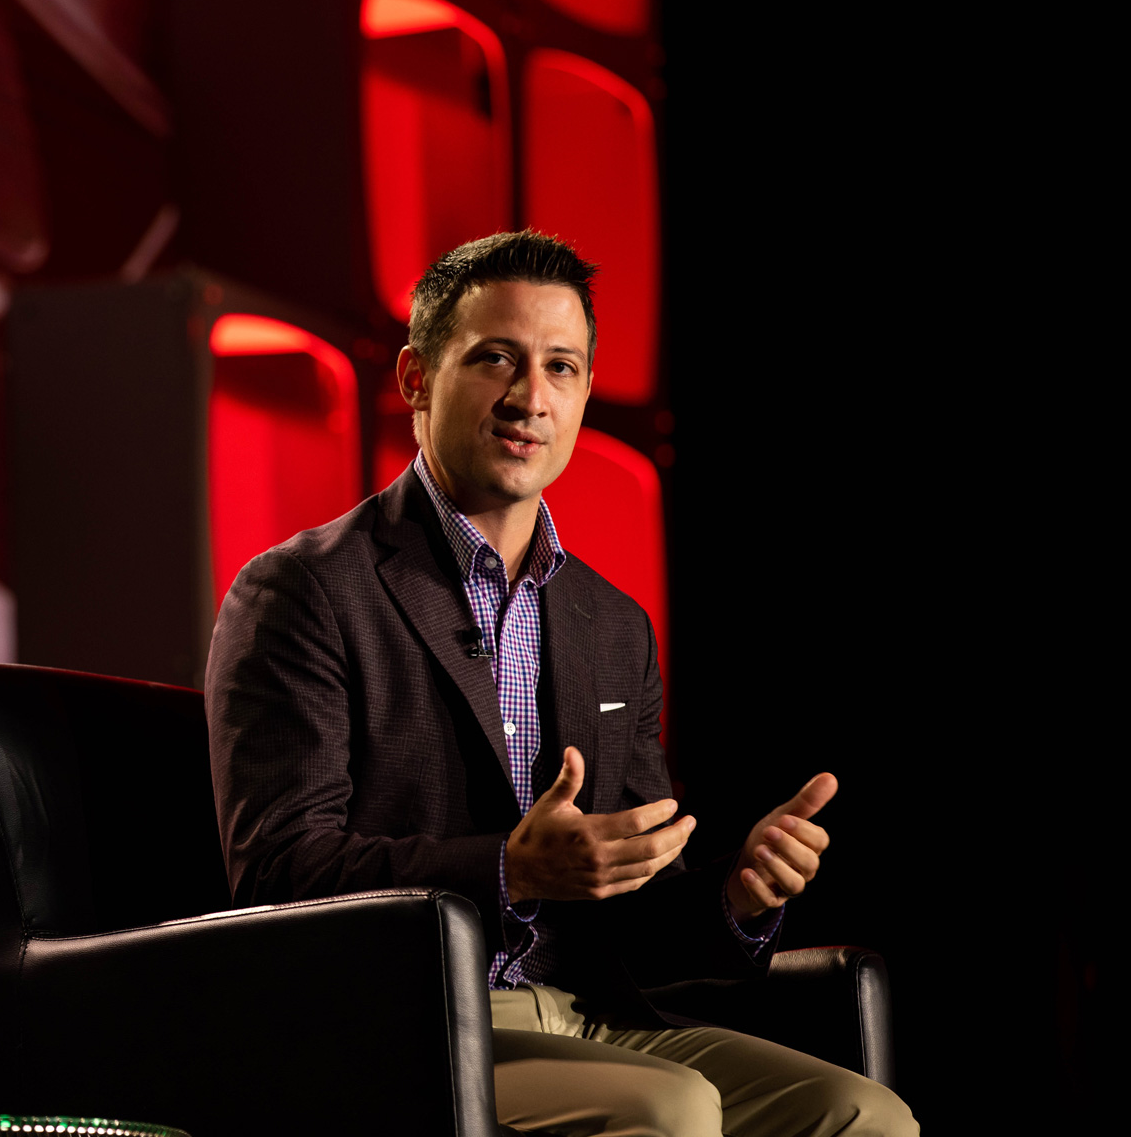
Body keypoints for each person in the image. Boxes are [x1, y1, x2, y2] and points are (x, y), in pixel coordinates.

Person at [205, 230, 917, 1136]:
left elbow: (636, 906)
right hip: (406, 1020)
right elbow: (277, 873)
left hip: (594, 1018)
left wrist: (736, 895)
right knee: (669, 1108)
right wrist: (509, 870)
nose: (529, 399)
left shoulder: (612, 625)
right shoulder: (301, 591)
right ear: (416, 378)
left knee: (861, 1112)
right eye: (495, 358)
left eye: (561, 367)